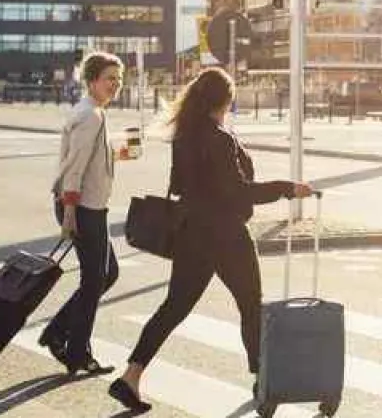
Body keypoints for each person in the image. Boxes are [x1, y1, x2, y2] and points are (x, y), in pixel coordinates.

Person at [109, 68, 314, 413]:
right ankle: (263, 381)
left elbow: (181, 185)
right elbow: (237, 191)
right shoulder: (218, 139)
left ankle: (131, 375)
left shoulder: (185, 135)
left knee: (173, 307)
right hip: (226, 235)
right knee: (251, 306)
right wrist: (287, 189)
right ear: (226, 100)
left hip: (191, 234)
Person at [38, 52, 129, 376]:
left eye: (119, 79)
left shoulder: (92, 112)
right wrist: (70, 214)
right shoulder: (91, 115)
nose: (116, 85)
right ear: (92, 81)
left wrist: (116, 153)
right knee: (95, 280)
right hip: (82, 208)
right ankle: (76, 352)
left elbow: (87, 159)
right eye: (109, 79)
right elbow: (74, 168)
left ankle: (57, 333)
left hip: (89, 207)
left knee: (105, 274)